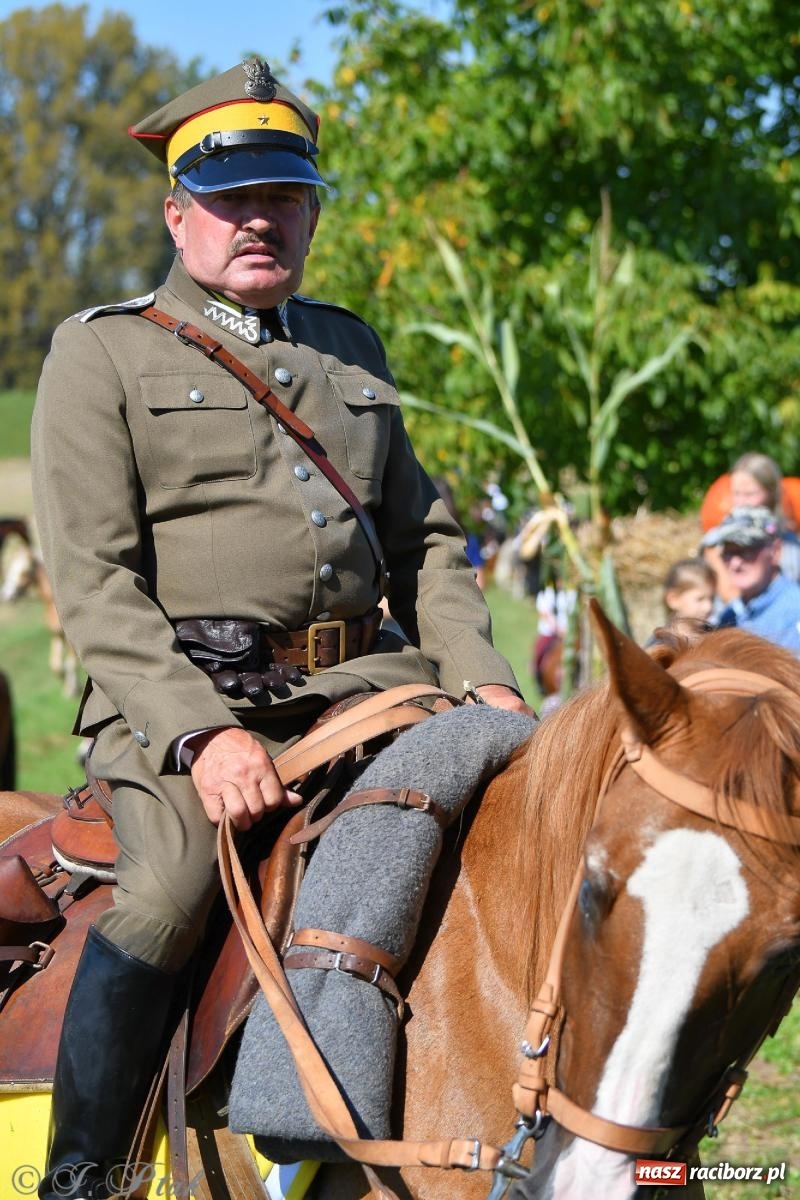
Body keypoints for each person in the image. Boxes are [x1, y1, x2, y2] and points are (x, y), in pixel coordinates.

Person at [30, 58, 532, 1199]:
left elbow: (426, 544)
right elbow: (96, 583)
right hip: (188, 704)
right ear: (178, 215)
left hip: (368, 690)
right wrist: (204, 736)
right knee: (168, 889)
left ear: (311, 212)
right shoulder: (102, 351)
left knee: (513, 824)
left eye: (285, 196)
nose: (260, 218)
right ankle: (85, 1176)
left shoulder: (349, 347)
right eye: (231, 198)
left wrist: (486, 681)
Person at [701, 506, 800, 653]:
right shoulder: (729, 616)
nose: (735, 563)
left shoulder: (794, 612)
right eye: (728, 553)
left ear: (776, 551)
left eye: (746, 551)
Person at [661, 557, 716, 626]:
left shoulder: (716, 631)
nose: (708, 607)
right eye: (700, 599)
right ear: (673, 600)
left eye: (712, 598)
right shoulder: (663, 634)